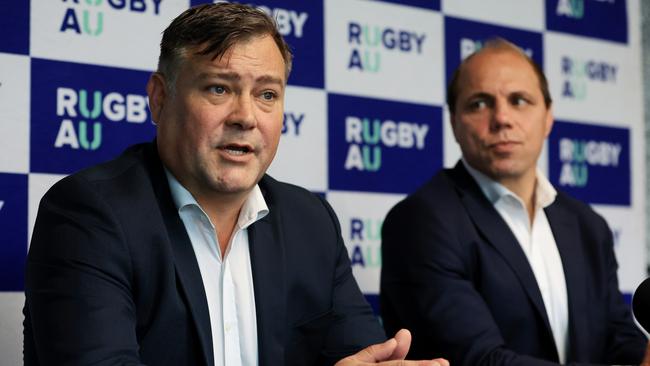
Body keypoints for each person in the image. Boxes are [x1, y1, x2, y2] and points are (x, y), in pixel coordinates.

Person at [23, 3, 448, 366]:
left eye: (267, 95)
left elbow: (356, 353)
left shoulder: (311, 222)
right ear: (159, 98)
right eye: (219, 88)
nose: (246, 116)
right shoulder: (89, 214)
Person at [380, 38, 649, 366]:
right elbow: (479, 361)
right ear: (453, 122)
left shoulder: (587, 225)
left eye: (519, 100)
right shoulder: (420, 222)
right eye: (479, 103)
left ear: (548, 117)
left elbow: (618, 338)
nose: (502, 118)